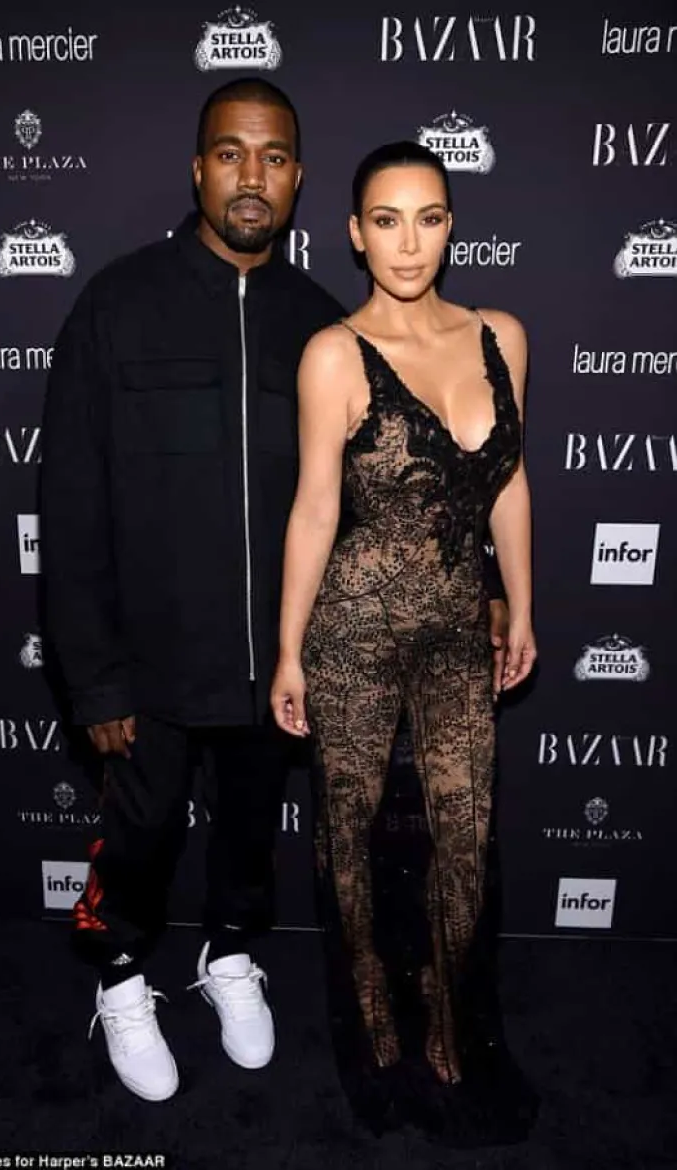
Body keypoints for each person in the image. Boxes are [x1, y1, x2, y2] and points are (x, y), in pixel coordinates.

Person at [41, 79, 508, 1106]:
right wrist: (95, 677)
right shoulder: (117, 304)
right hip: (151, 658)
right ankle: (120, 974)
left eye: (275, 157)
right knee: (139, 835)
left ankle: (231, 954)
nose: (252, 176)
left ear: (298, 180)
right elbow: (68, 501)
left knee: (251, 827)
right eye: (230, 154)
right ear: (197, 168)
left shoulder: (323, 324)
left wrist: (474, 583)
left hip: (285, 652)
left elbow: (388, 491)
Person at [271, 141, 539, 1144]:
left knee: (463, 843)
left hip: (460, 629)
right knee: (349, 846)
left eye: (428, 217)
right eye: (386, 220)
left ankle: (452, 1045)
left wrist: (522, 603)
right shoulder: (334, 355)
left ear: (451, 225)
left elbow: (509, 483)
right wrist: (289, 651)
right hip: (354, 632)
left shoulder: (500, 336)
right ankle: (377, 1042)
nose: (409, 242)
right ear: (354, 233)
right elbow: (314, 509)